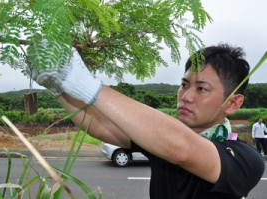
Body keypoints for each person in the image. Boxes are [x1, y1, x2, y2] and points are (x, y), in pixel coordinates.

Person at [28, 43, 265, 198]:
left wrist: (87, 85)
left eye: (202, 89)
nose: (186, 96)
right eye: (184, 85)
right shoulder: (159, 141)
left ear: (233, 103)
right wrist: (60, 88)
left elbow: (183, 149)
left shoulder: (245, 159)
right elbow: (99, 125)